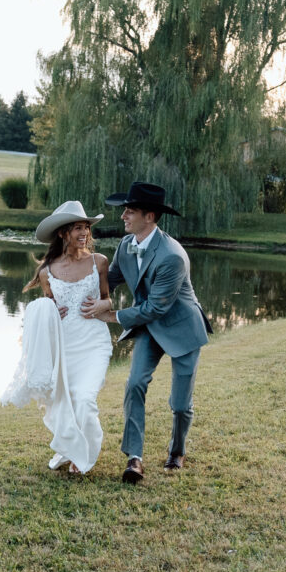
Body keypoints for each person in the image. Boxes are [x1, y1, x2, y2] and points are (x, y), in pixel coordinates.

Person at [81, 181, 212, 484]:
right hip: (150, 329)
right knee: (134, 384)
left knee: (179, 404)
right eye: (124, 209)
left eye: (131, 210)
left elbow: (155, 308)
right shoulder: (126, 246)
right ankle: (134, 459)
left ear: (150, 217)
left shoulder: (172, 256)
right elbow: (109, 281)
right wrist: (70, 287)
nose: (123, 215)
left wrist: (110, 315)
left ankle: (177, 451)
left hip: (182, 330)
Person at [1, 200, 113, 475]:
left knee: (85, 399)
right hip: (64, 346)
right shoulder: (46, 272)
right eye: (77, 228)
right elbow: (45, 312)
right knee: (66, 400)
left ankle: (85, 455)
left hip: (93, 342)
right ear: (63, 233)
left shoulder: (99, 262)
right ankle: (73, 451)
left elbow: (108, 301)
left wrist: (102, 306)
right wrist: (50, 308)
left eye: (86, 227)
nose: (84, 233)